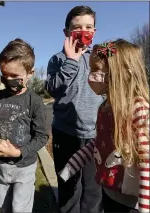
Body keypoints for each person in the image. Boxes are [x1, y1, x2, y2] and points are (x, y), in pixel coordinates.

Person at [59, 39, 150, 213]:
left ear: (120, 74)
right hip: (109, 191)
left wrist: (145, 207)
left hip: (132, 201)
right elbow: (99, 142)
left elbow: (146, 160)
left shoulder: (138, 109)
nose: (91, 75)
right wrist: (72, 165)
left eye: (96, 70)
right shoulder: (105, 108)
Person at [45, 5, 104, 213]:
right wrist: (72, 60)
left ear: (94, 32)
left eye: (89, 27)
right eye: (76, 27)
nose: (83, 31)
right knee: (69, 187)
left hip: (96, 135)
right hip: (66, 133)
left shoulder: (99, 59)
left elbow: (107, 91)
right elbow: (53, 89)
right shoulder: (58, 59)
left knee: (94, 188)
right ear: (67, 32)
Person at [0, 38, 48, 213]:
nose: (8, 79)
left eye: (15, 76)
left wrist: (19, 152)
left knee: (20, 209)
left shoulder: (34, 101)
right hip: (1, 165)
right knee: (2, 205)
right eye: (4, 75)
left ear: (30, 73)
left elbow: (42, 136)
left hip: (24, 165)